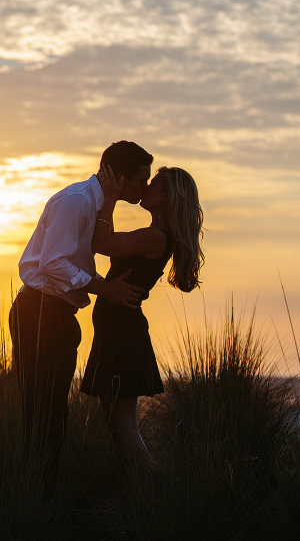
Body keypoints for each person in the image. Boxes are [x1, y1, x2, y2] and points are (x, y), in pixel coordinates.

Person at [9, 141, 154, 469]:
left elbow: (91, 251)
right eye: (141, 180)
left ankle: (43, 492)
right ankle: (39, 496)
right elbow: (54, 263)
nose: (144, 188)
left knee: (53, 411)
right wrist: (106, 289)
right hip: (40, 312)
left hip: (57, 314)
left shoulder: (96, 204)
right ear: (120, 178)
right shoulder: (77, 201)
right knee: (44, 411)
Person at [81, 166, 205, 476]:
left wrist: (109, 199)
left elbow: (102, 244)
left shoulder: (155, 237)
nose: (146, 187)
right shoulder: (156, 235)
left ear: (166, 197)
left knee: (122, 422)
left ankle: (145, 494)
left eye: (154, 185)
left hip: (123, 332)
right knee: (114, 418)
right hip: (117, 329)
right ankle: (134, 490)